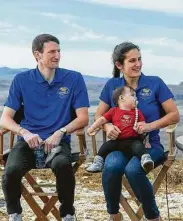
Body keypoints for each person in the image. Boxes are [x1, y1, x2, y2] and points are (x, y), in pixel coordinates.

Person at [0, 34, 89, 221]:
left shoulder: (73, 79)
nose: (57, 55)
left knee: (64, 166)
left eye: (59, 51)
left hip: (56, 144)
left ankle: (67, 215)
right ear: (37, 55)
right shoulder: (22, 80)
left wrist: (61, 131)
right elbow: (5, 119)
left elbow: (83, 118)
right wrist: (24, 133)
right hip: (27, 143)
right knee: (10, 171)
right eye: (52, 52)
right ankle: (14, 214)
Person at [94, 42, 179, 221]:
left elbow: (174, 115)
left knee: (134, 169)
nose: (138, 64)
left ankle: (153, 217)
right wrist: (107, 126)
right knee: (112, 166)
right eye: (132, 60)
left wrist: (150, 126)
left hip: (149, 145)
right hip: (119, 145)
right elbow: (99, 116)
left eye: (139, 59)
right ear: (119, 65)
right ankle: (114, 215)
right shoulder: (112, 85)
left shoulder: (155, 83)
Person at [86, 85, 154, 173]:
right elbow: (102, 119)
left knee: (139, 147)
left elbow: (144, 127)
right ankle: (98, 163)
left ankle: (146, 160)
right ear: (122, 98)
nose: (135, 98)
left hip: (132, 141)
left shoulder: (137, 112)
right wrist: (92, 128)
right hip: (117, 141)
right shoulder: (113, 111)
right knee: (105, 146)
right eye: (132, 95)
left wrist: (146, 141)